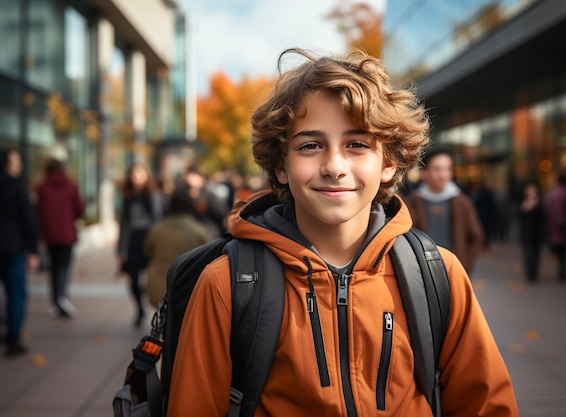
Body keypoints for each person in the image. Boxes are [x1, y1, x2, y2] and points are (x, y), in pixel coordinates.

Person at [167, 48, 518, 416]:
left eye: (356, 144)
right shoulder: (226, 284)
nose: (334, 166)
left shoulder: (437, 274)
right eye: (310, 145)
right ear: (281, 165)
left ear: (389, 162)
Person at [406, 147, 485, 273]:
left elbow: (477, 236)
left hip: (454, 271)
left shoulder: (462, 202)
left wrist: (465, 265)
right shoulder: (413, 202)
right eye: (437, 169)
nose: (443, 175)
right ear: (424, 172)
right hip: (423, 273)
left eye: (447, 169)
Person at [144, 185, 212, 309]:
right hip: (188, 288)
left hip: (158, 286)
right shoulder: (199, 231)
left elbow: (148, 251)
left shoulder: (156, 228)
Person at [0, 148, 39, 357]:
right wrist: (33, 249)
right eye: (16, 162)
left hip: (11, 246)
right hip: (13, 248)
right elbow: (29, 220)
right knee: (16, 295)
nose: (19, 166)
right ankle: (13, 340)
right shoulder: (17, 187)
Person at [36, 158, 85, 318]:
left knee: (54, 268)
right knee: (63, 267)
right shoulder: (71, 187)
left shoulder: (42, 188)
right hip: (66, 234)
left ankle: (56, 300)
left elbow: (38, 212)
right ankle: (62, 299)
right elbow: (79, 209)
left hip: (49, 235)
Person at [117, 163, 163, 327]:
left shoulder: (154, 194)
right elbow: (124, 224)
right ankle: (140, 310)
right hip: (133, 241)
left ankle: (159, 312)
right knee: (133, 279)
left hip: (150, 239)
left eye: (140, 173)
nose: (136, 177)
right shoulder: (128, 196)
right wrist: (121, 250)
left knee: (154, 279)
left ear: (146, 175)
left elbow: (158, 219)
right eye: (133, 174)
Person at [545, 173, 566, 281]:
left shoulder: (554, 192)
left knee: (558, 248)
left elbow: (549, 209)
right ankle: (563, 268)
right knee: (565, 249)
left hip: (556, 225)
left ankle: (561, 268)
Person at [518, 180, 545, 282]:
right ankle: (530, 273)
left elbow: (543, 216)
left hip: (537, 232)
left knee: (536, 253)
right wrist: (526, 208)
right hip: (527, 232)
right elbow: (519, 215)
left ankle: (534, 273)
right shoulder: (523, 202)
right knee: (528, 253)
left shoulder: (540, 202)